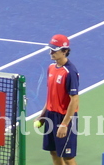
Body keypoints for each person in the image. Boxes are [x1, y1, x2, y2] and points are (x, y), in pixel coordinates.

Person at [38, 34, 79, 165]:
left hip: (64, 117)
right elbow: (51, 95)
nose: (51, 52)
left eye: (55, 50)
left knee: (67, 157)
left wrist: (64, 124)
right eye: (51, 49)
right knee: (53, 151)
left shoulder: (70, 72)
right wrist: (43, 115)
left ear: (65, 51)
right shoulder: (51, 68)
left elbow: (74, 100)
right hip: (51, 115)